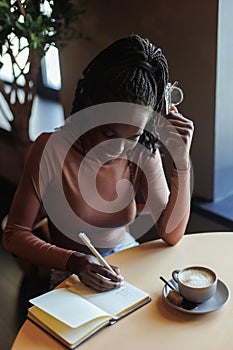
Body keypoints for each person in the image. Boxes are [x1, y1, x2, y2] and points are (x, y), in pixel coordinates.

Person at [2, 34, 194, 292]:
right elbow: (14, 235)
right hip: (72, 269)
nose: (119, 149)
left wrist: (181, 162)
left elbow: (171, 235)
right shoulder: (52, 149)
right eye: (108, 134)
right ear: (90, 106)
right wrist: (75, 261)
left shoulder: (143, 150)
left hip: (125, 258)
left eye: (133, 136)